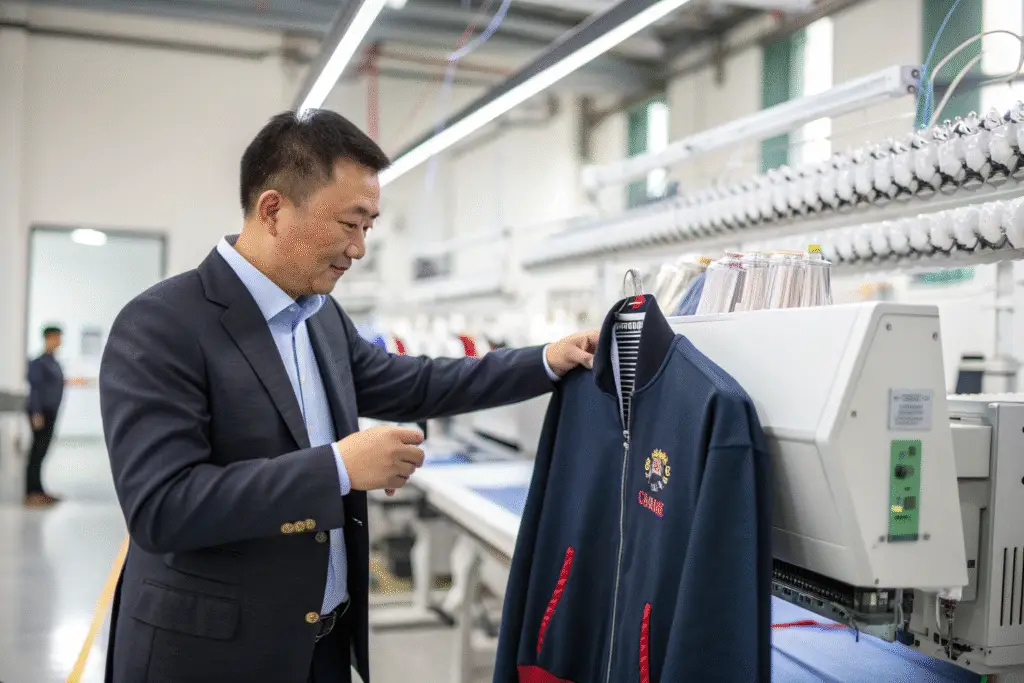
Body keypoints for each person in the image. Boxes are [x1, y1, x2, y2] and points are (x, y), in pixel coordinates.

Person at [99, 109, 599, 683]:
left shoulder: (320, 318)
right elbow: (163, 508)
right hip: (213, 656)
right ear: (273, 210)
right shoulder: (162, 324)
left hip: (322, 645)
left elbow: (418, 383)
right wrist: (339, 467)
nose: (359, 248)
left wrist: (545, 359)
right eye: (348, 223)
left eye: (369, 226)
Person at [24, 325, 64, 507]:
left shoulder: (53, 362)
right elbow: (35, 390)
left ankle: (39, 490)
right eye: (57, 338)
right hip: (41, 413)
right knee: (36, 453)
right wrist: (36, 412)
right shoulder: (38, 363)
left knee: (42, 453)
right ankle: (31, 493)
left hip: (51, 412)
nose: (59, 342)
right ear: (48, 338)